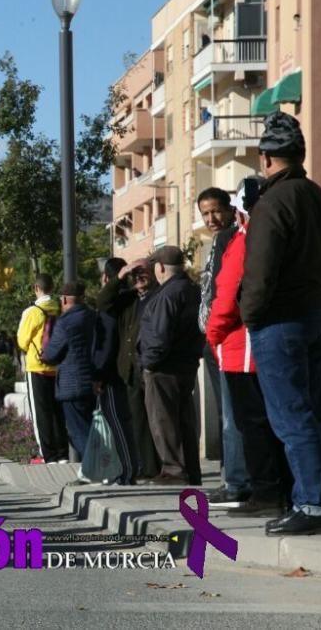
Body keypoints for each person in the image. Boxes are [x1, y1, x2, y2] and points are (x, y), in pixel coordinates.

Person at [242, 113, 321, 535]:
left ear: (266, 158)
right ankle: (312, 499)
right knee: (309, 412)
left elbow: (260, 271)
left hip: (280, 318)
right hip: (316, 310)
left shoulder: (272, 204)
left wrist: (250, 313)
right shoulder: (319, 197)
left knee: (291, 417)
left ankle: (312, 504)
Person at [206, 186, 293, 516]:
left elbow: (227, 294)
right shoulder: (280, 235)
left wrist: (214, 334)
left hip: (241, 346)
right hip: (269, 341)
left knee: (252, 425)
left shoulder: (246, 238)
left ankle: (266, 493)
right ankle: (281, 490)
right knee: (274, 422)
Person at [196, 186, 249, 507]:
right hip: (213, 338)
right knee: (226, 414)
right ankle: (231, 475)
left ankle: (236, 480)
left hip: (227, 336)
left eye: (216, 211)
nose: (211, 218)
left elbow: (226, 290)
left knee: (233, 415)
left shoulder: (233, 238)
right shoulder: (213, 243)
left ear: (229, 209)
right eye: (205, 213)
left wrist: (215, 331)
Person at [138, 245, 204, 486]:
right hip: (186, 363)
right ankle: (191, 470)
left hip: (164, 367)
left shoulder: (167, 294)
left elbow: (159, 334)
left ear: (161, 267)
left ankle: (173, 470)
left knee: (163, 419)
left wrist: (148, 363)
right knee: (184, 419)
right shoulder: (192, 289)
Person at [97, 258, 161, 480]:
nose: (140, 277)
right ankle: (145, 467)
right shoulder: (128, 299)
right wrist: (120, 277)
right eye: (137, 273)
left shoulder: (159, 295)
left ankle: (159, 467)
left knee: (156, 420)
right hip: (130, 369)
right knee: (137, 420)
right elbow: (103, 302)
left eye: (145, 272)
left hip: (152, 368)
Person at [40, 281, 96, 463]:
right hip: (92, 381)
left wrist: (44, 351)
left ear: (63, 299)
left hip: (71, 385)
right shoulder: (93, 316)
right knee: (90, 426)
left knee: (78, 430)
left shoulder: (65, 322)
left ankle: (94, 468)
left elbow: (51, 354)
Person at [16, 273, 68, 464]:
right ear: (53, 287)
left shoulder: (33, 311)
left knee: (41, 412)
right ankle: (63, 453)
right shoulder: (60, 309)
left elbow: (22, 341)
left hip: (37, 366)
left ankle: (48, 454)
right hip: (58, 366)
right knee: (57, 411)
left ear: (36, 288)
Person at [93, 261, 136, 485]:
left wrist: (98, 375)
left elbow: (107, 342)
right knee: (125, 422)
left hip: (112, 374)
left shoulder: (111, 305)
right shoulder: (131, 298)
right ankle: (129, 469)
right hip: (123, 371)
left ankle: (128, 471)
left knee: (118, 423)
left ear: (106, 278)